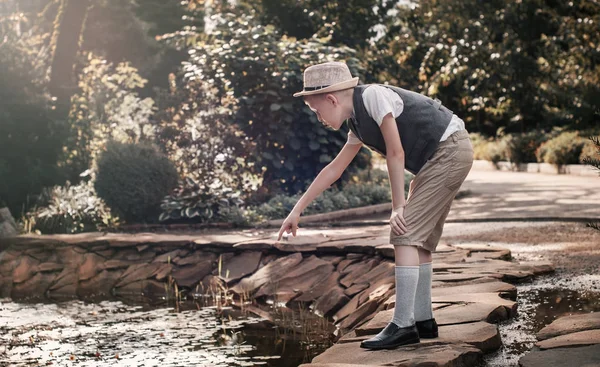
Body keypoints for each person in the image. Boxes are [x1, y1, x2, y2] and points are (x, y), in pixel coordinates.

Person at [276, 61, 473, 350]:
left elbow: (395, 152)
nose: (318, 118)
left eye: (317, 111)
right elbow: (334, 169)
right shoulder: (357, 124)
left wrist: (397, 206)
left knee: (404, 232)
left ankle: (403, 325)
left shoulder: (373, 97)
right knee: (420, 240)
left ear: (331, 99)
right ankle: (423, 320)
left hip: (448, 149)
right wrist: (297, 210)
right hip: (444, 154)